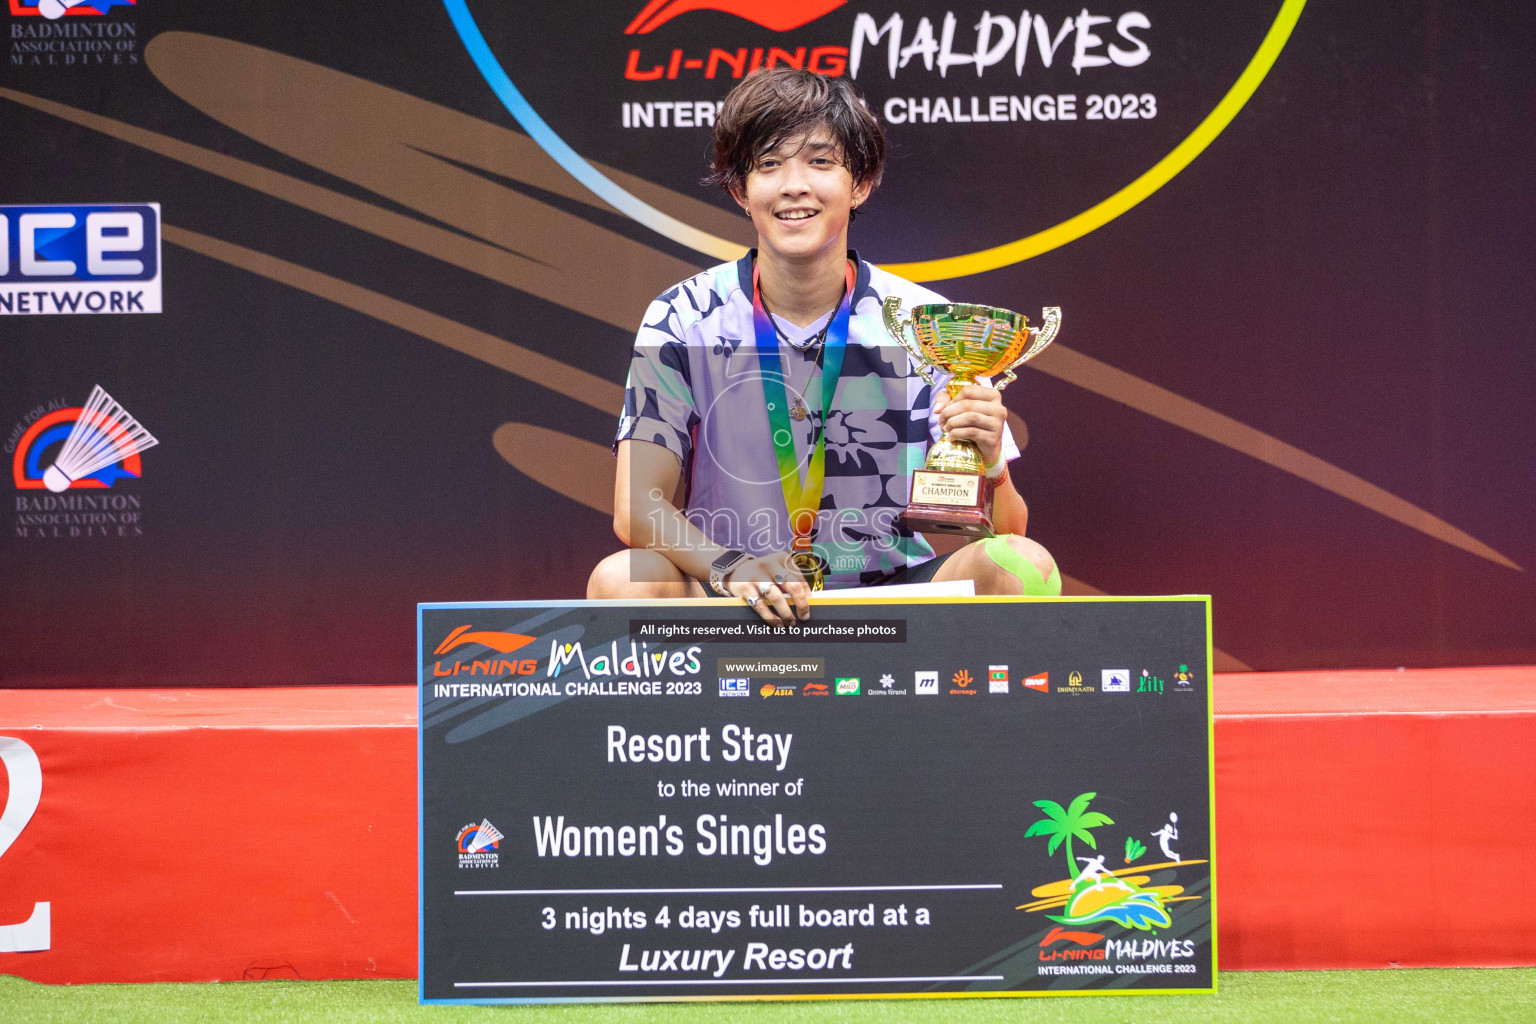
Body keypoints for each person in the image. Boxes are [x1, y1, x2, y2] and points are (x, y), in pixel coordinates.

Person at [587, 67, 1059, 625]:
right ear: (741, 191)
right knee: (620, 579)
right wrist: (730, 566)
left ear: (860, 183)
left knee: (1022, 566)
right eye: (769, 165)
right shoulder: (683, 317)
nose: (794, 185)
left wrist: (992, 468)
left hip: (894, 592)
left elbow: (1008, 532)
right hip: (737, 590)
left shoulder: (924, 325)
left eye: (819, 161)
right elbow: (637, 506)